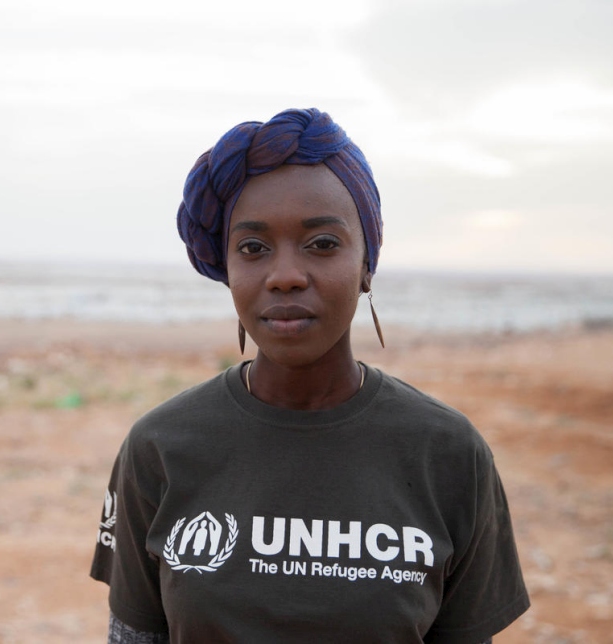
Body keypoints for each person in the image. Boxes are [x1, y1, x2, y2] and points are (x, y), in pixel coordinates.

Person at [90, 108, 529, 643]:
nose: (286, 275)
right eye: (252, 248)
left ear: (367, 263)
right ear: (228, 268)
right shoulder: (160, 446)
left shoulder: (448, 453)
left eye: (322, 244)